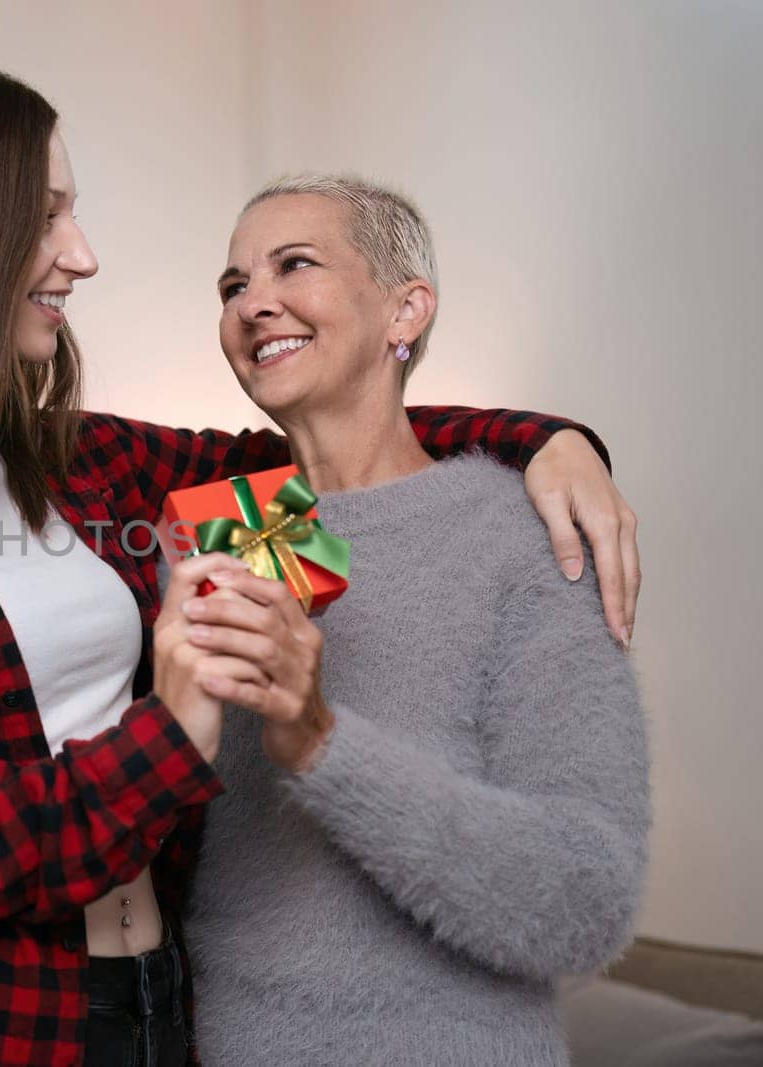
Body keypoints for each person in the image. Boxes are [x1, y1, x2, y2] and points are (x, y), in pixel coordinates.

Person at [0, 65, 640, 1067]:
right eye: (47, 214)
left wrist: (542, 439)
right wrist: (170, 736)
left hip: (163, 1012)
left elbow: (325, 454)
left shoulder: (81, 460)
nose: (82, 256)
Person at [179, 174, 649, 1065]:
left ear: (406, 312)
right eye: (232, 285)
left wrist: (320, 742)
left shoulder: (521, 533)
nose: (252, 304)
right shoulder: (239, 525)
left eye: (295, 265)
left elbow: (586, 901)